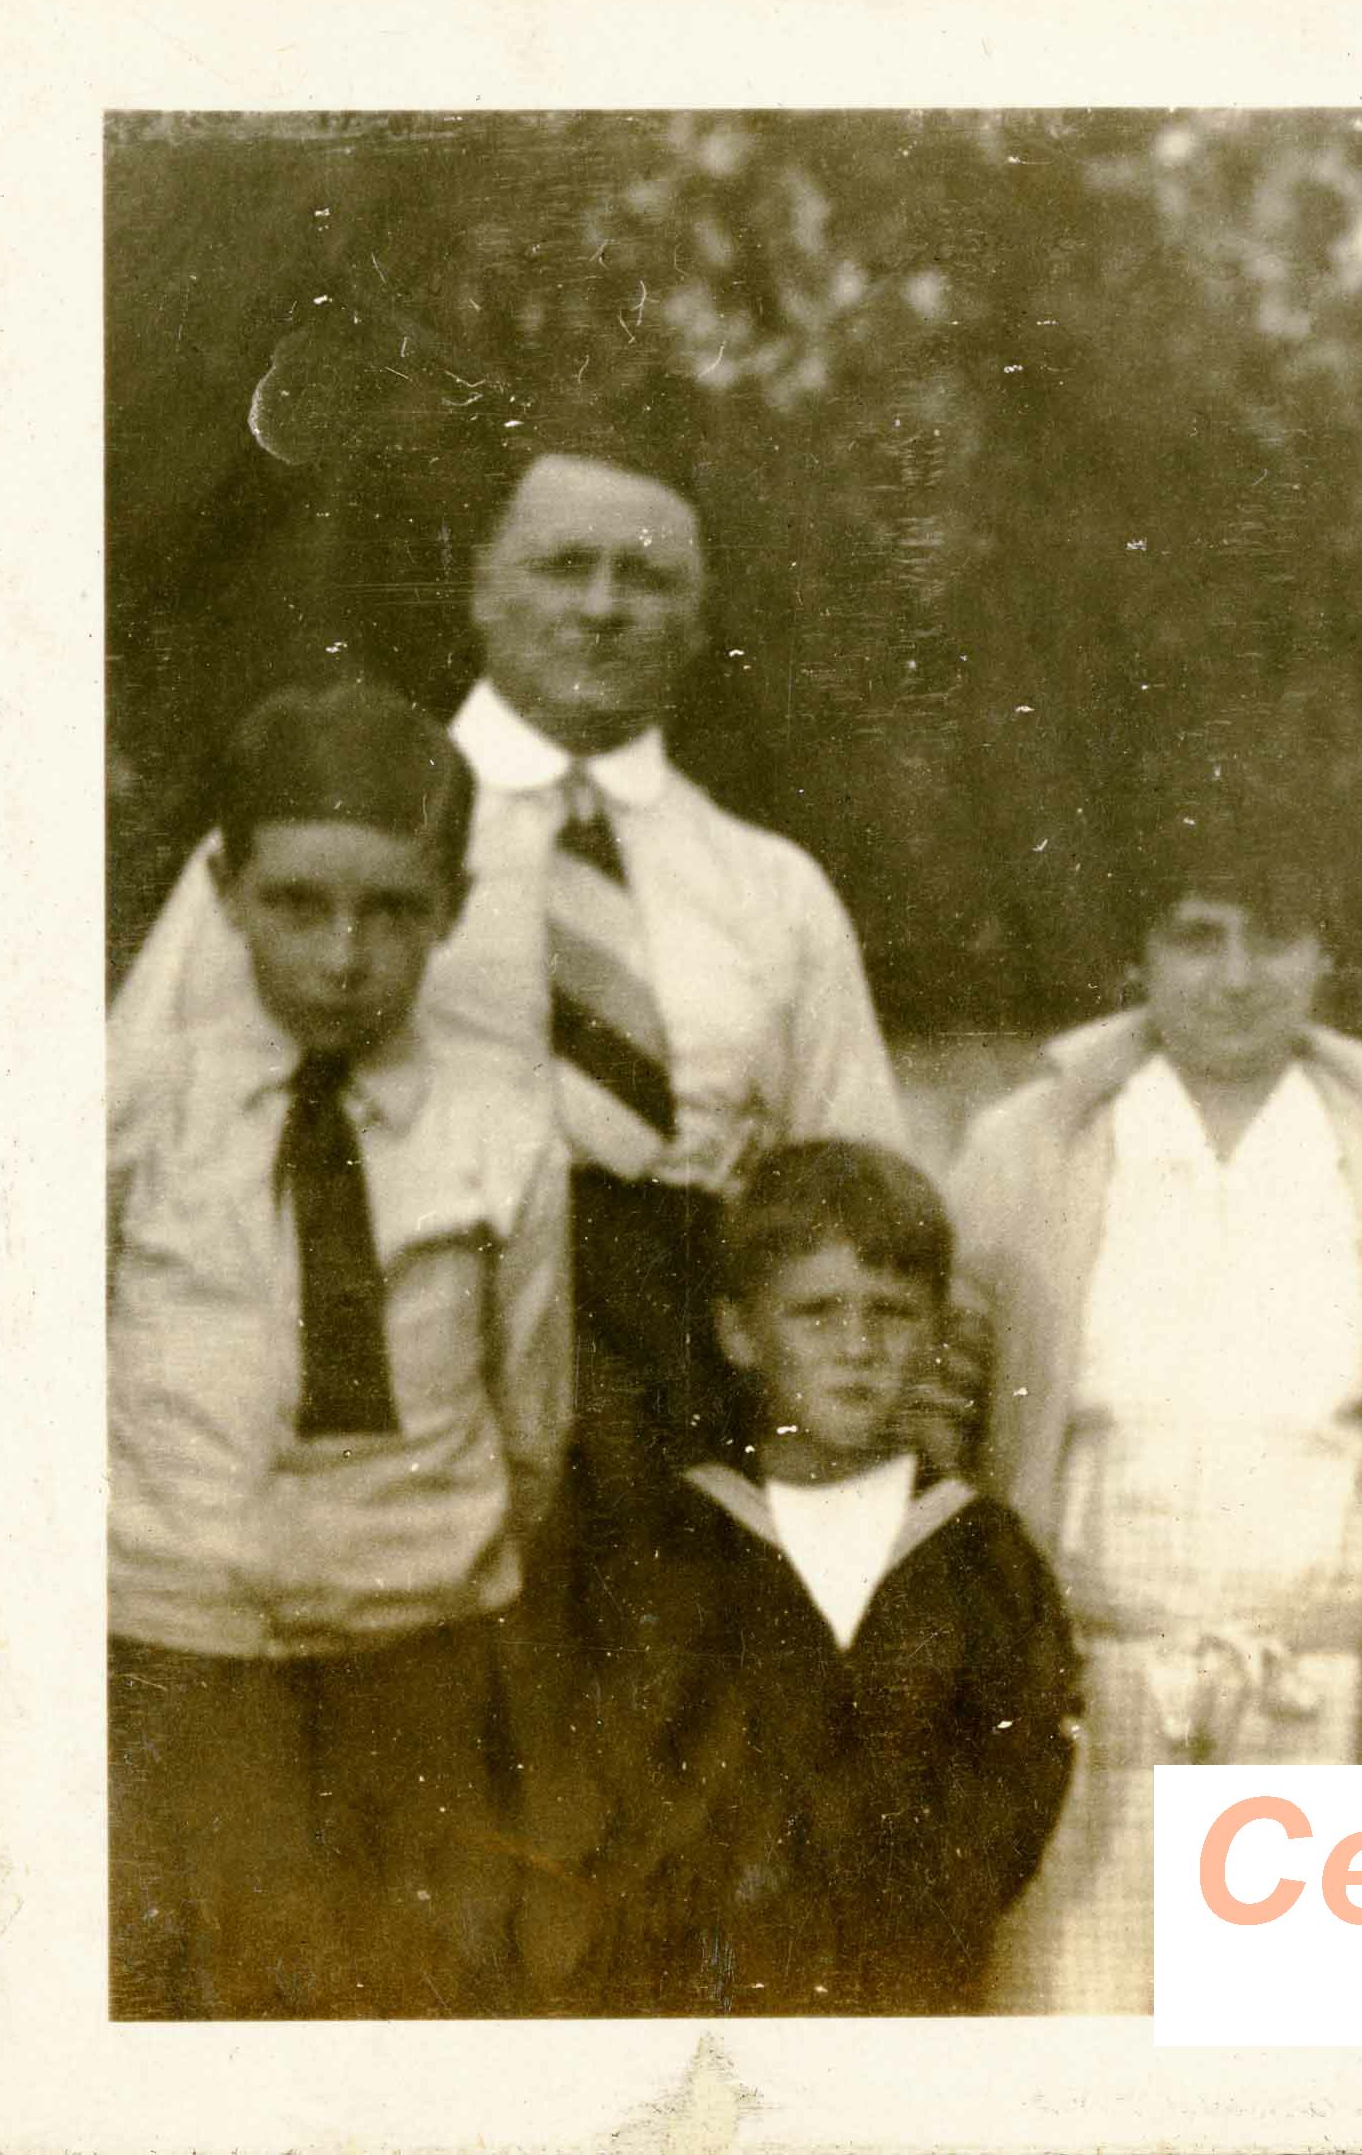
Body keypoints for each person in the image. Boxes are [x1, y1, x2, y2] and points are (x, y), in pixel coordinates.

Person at [109, 436, 911, 1518]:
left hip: (687, 1396)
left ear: (698, 622)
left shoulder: (774, 888)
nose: (602, 606)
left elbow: (860, 1192)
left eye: (648, 578)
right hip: (393, 1376)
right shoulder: (329, 838)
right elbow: (126, 1136)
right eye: (563, 566)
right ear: (483, 586)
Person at [948, 810, 1362, 2012]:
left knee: (1289, 2084)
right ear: (1138, 955)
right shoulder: (1028, 1143)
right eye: (1199, 936)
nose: (1237, 975)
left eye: (1276, 935)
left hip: (1318, 1703)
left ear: (1326, 956)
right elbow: (950, 1388)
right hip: (1089, 1697)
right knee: (1070, 2065)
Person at [107, 677, 569, 2018]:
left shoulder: (501, 1127)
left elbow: (530, 1415)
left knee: (420, 1999)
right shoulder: (139, 1108)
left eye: (392, 909)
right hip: (176, 1653)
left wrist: (420, 1570)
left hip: (421, 1658)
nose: (342, 953)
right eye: (298, 902)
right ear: (227, 886)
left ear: (455, 909)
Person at [573, 1142, 1075, 2018]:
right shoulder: (671, 1544)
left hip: (910, 1994)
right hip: (708, 2001)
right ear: (738, 1332)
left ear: (936, 1331)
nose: (857, 1349)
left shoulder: (977, 1552)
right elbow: (626, 1790)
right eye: (816, 1313)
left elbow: (1018, 1776)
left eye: (893, 1313)